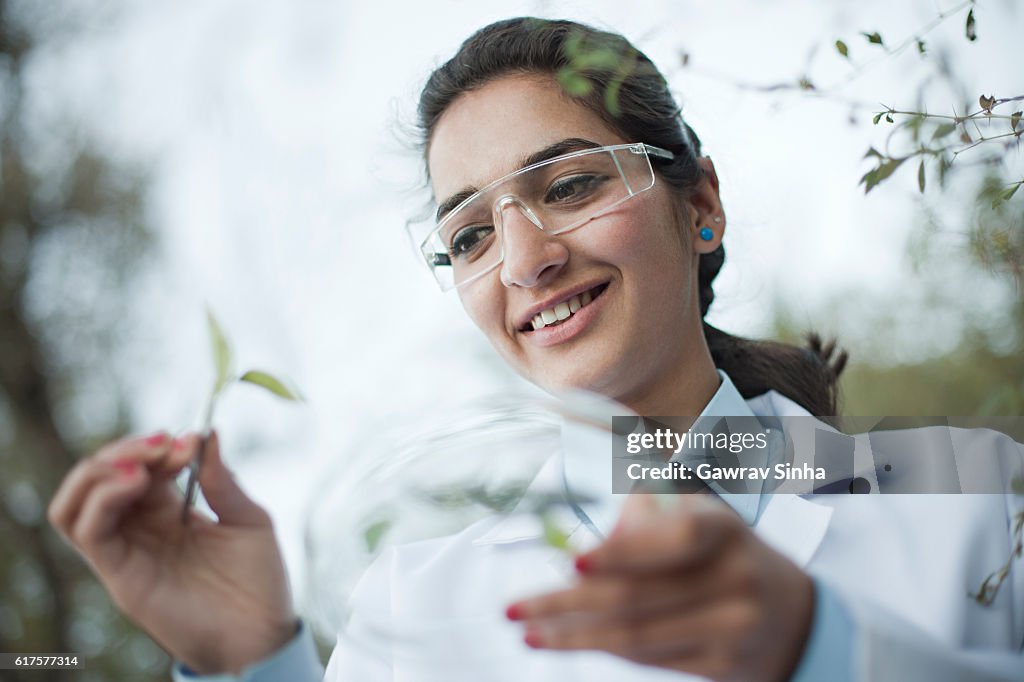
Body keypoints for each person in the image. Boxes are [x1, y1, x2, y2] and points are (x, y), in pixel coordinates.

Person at [47, 17, 1023, 682]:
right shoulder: (412, 608)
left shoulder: (975, 487)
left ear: (701, 205)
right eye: (469, 234)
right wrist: (255, 659)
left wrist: (823, 648)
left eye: (566, 187)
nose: (524, 259)